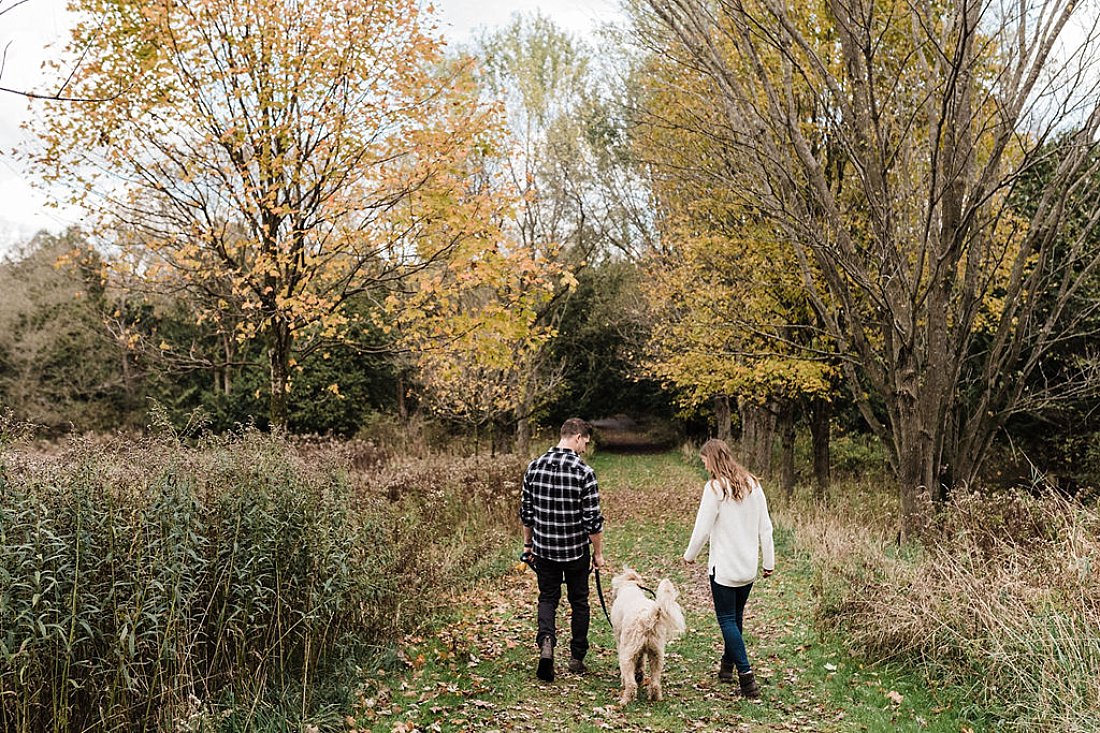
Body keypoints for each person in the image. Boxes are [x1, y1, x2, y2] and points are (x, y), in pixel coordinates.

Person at [683, 438, 775, 698]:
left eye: (705, 463)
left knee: (726, 619)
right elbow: (765, 527)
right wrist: (768, 562)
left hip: (724, 569)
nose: (705, 468)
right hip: (747, 568)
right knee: (736, 618)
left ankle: (746, 677)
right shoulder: (753, 485)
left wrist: (689, 556)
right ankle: (727, 667)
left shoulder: (715, 489)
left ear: (712, 460)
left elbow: (701, 529)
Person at [520, 417, 605, 683]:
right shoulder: (584, 472)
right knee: (579, 602)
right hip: (576, 551)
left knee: (547, 598)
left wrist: (528, 545)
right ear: (577, 437)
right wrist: (598, 554)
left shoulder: (534, 467)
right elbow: (593, 521)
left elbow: (526, 514)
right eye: (585, 442)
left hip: (544, 549)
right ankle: (576, 657)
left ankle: (547, 642)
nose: (585, 448)